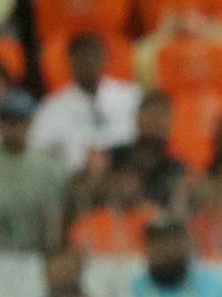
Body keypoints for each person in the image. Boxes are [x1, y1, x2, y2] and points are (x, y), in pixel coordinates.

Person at [29, 33, 140, 173]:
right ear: (69, 62)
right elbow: (38, 151)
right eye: (81, 58)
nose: (88, 63)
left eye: (93, 56)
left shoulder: (130, 96)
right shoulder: (52, 107)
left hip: (126, 176)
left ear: (105, 59)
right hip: (75, 181)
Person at [0, 91, 67, 251]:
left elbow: (55, 217)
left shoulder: (48, 166)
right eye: (8, 121)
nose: (14, 127)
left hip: (38, 255)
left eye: (19, 121)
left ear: (29, 123)